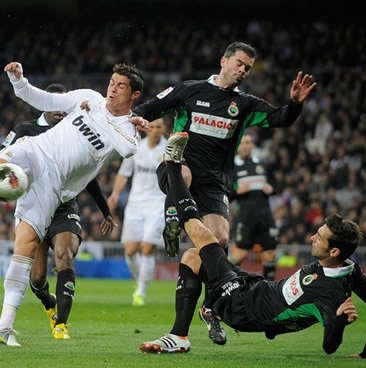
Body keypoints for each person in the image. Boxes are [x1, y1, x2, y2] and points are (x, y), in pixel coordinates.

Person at [139, 133, 366, 358]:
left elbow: (329, 347)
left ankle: (172, 163)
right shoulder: (349, 268)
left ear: (334, 251)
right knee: (192, 257)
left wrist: (338, 322)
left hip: (242, 306)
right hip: (257, 285)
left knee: (200, 234)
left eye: (320, 237)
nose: (313, 237)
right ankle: (182, 333)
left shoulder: (331, 293)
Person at [133, 41, 317, 345]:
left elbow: (281, 118)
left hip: (215, 183)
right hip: (178, 167)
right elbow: (149, 108)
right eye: (240, 63)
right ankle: (172, 218)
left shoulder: (244, 105)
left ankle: (204, 310)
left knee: (216, 242)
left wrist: (295, 103)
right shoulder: (189, 90)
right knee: (184, 170)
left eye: (248, 67)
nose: (243, 71)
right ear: (224, 61)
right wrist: (137, 120)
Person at [0, 61, 147, 347]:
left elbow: (127, 149)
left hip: (55, 185)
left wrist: (99, 117)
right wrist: (19, 82)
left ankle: (3, 328)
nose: (112, 89)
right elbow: (45, 99)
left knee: (25, 248)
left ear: (134, 95)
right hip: (38, 150)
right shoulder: (87, 97)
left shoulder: (129, 131)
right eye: (112, 82)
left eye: (121, 86)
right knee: (6, 158)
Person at [0, 82, 116, 340]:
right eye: (55, 105)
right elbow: (6, 160)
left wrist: (105, 210)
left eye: (63, 106)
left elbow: (89, 175)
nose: (60, 112)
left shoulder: (72, 129)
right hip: (35, 203)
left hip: (64, 205)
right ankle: (49, 304)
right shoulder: (25, 130)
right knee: (38, 278)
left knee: (65, 253)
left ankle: (61, 325)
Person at [107, 118, 167, 306]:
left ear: (164, 129)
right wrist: (115, 194)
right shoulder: (136, 147)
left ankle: (141, 290)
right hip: (135, 203)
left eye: (159, 127)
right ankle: (140, 280)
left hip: (158, 203)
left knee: (147, 248)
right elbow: (124, 173)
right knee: (131, 250)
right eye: (153, 127)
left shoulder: (169, 149)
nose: (155, 130)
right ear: (147, 128)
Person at [228, 133, 278, 281]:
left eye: (248, 142)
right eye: (242, 143)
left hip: (265, 215)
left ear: (252, 145)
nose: (245, 146)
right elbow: (227, 193)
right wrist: (237, 191)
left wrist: (272, 188)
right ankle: (224, 280)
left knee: (270, 254)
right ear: (237, 147)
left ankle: (270, 290)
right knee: (240, 253)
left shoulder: (262, 165)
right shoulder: (232, 168)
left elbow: (275, 185)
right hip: (246, 216)